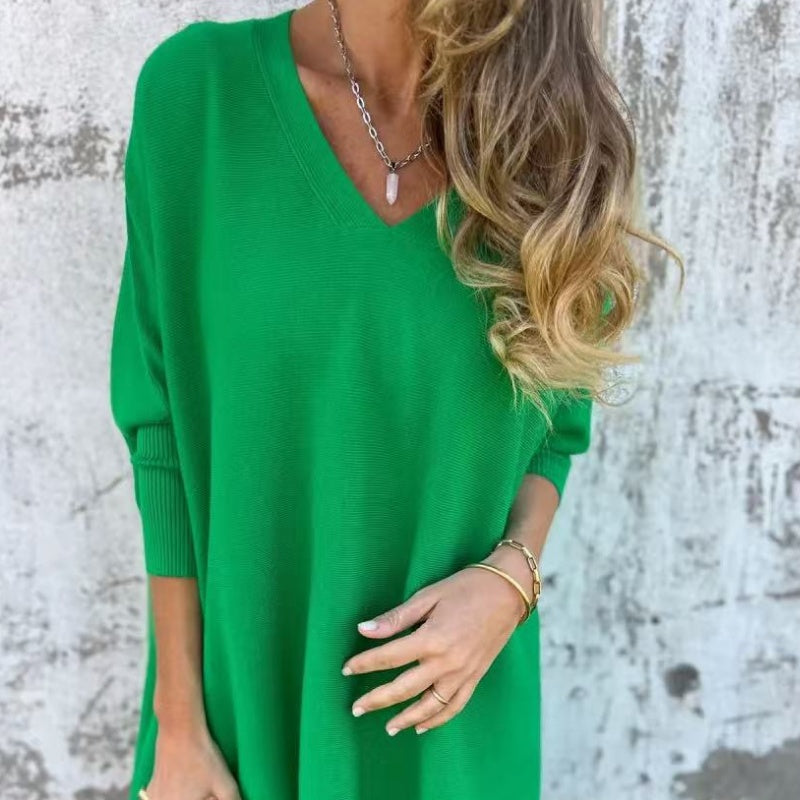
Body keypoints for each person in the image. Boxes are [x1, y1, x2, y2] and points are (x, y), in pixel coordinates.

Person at [109, 1, 679, 799]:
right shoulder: (197, 95)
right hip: (232, 729)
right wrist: (178, 723)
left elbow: (554, 431)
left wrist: (509, 580)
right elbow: (162, 428)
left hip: (446, 727)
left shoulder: (552, 144)